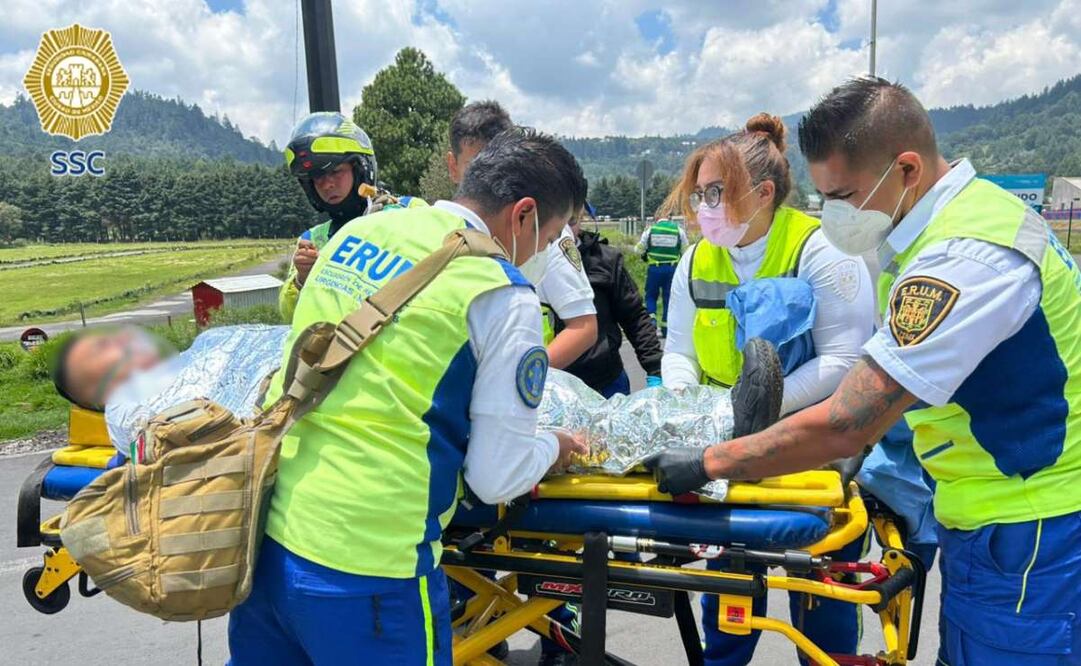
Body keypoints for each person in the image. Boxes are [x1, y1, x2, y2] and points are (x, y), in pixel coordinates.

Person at [648, 77, 1081, 666]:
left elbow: (850, 418)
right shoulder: (947, 230)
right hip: (998, 511)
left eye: (845, 195)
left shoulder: (966, 256)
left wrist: (707, 462)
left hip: (1029, 521)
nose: (834, 214)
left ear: (905, 169)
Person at [227, 127, 590, 666]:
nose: (543, 251)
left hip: (270, 542)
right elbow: (497, 476)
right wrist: (555, 446)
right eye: (551, 234)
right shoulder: (499, 291)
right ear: (524, 214)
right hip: (372, 568)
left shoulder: (357, 235)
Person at [657, 113, 876, 666]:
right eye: (699, 192)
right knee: (730, 603)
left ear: (764, 193)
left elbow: (844, 362)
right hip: (727, 445)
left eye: (715, 192)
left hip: (813, 448)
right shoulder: (694, 260)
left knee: (822, 605)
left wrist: (758, 407)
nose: (704, 206)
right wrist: (690, 405)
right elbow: (679, 350)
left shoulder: (821, 250)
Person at [446, 100, 598, 369]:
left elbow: (583, 325)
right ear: (453, 166)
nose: (489, 178)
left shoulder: (542, 230)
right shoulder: (442, 226)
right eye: (475, 166)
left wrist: (521, 378)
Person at [280, 111, 426, 321]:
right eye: (317, 177)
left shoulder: (409, 211)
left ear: (360, 169)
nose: (327, 184)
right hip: (342, 350)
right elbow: (289, 315)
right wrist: (303, 279)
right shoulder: (312, 240)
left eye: (336, 171)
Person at [563, 204, 663, 397]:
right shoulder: (530, 262)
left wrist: (655, 370)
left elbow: (634, 317)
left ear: (582, 215)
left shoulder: (604, 259)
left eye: (571, 220)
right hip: (553, 388)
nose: (564, 231)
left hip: (606, 383)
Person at [634, 217, 688, 336]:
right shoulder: (678, 230)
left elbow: (637, 249)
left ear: (657, 220)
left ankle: (652, 319)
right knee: (669, 297)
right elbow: (685, 251)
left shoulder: (650, 230)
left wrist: (644, 254)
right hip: (672, 269)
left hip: (655, 269)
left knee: (651, 295)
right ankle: (666, 327)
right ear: (669, 219)